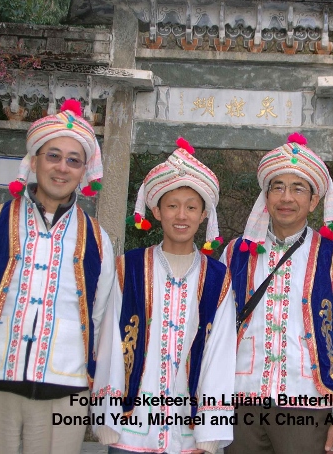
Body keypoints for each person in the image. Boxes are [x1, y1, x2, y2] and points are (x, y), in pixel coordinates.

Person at [0, 99, 115, 454]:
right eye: (53, 156)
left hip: (67, 390)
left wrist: (99, 392)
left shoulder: (97, 238)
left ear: (84, 171)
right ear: (34, 161)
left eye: (73, 160)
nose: (62, 168)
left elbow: (101, 317)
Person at [92, 138, 237, 454]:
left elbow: (220, 354)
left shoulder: (217, 278)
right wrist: (107, 417)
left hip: (189, 433)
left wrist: (209, 432)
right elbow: (111, 341)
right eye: (172, 206)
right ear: (157, 211)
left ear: (203, 215)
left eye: (191, 207)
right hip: (130, 430)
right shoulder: (129, 267)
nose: (181, 215)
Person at [222, 133, 333, 454]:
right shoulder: (235, 253)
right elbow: (215, 331)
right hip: (240, 399)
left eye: (298, 188)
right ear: (266, 196)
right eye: (278, 187)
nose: (286, 197)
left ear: (313, 201)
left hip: (307, 403)